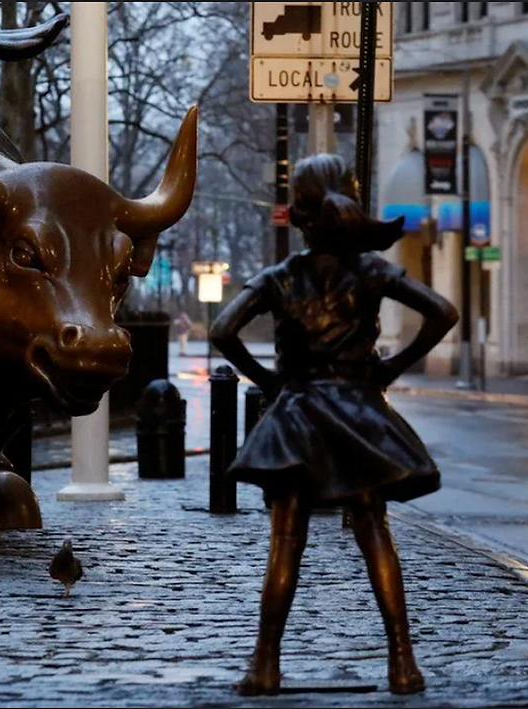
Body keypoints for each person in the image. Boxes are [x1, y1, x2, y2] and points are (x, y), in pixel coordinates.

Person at [210, 154, 459, 697]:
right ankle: (402, 664)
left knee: (286, 543)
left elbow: (223, 329)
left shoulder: (281, 277)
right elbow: (443, 311)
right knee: (374, 534)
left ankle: (266, 666)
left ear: (298, 215)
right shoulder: (371, 271)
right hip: (358, 411)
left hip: (296, 414)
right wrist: (391, 366)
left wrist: (271, 381)